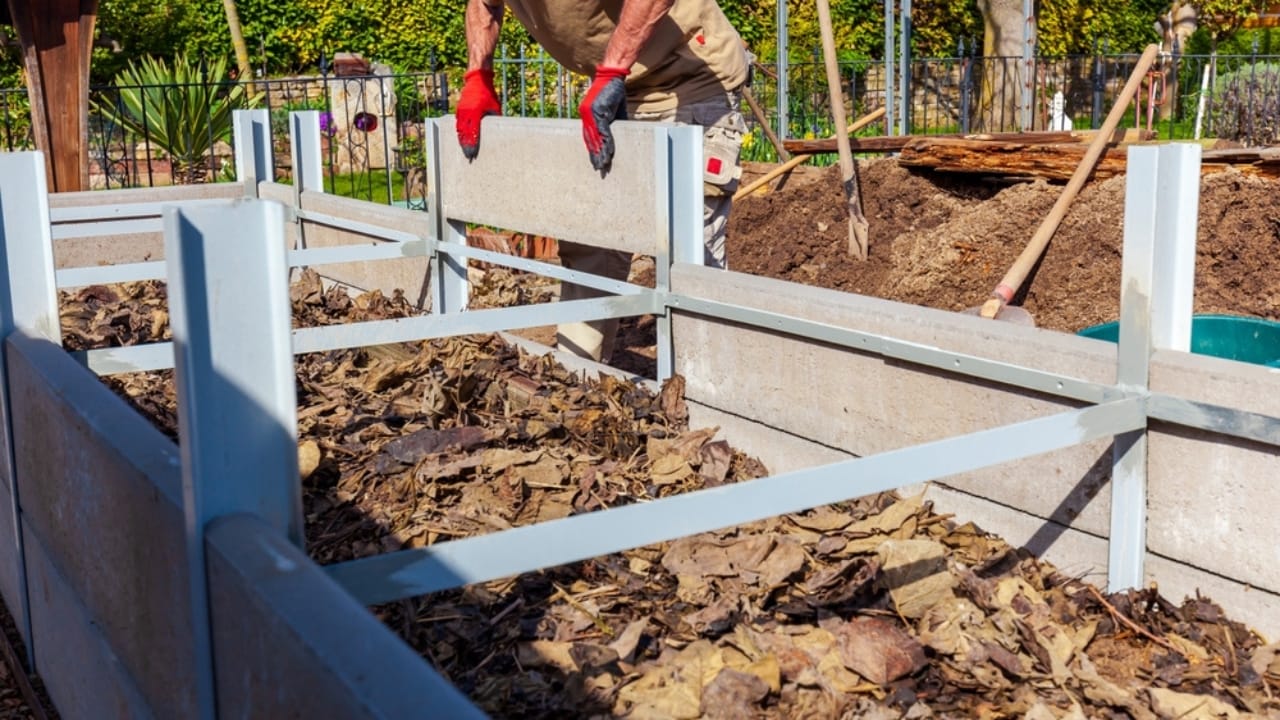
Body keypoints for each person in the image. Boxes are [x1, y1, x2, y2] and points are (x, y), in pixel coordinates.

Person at [455, 0, 750, 363]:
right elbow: (484, 5)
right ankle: (576, 375)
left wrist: (612, 71)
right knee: (593, 239)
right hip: (616, 83)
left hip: (687, 79)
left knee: (686, 250)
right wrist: (478, 76)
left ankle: (709, 381)